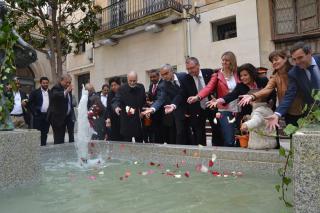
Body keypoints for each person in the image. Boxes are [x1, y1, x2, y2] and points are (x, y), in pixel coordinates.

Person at [239, 50, 303, 127]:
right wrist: (252, 96)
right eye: (272, 61)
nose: (274, 62)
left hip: (303, 110)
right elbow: (267, 89)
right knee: (293, 136)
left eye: (276, 59)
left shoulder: (295, 71)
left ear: (285, 58)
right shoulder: (275, 76)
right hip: (287, 111)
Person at [187, 52, 240, 147]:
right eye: (223, 60)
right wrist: (197, 97)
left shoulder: (238, 74)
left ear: (232, 61)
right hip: (225, 109)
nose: (224, 62)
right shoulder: (217, 75)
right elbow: (208, 88)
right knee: (229, 139)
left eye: (227, 60)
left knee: (240, 136)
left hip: (240, 108)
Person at [265, 41, 320, 130]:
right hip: (313, 114)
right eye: (294, 59)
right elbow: (289, 94)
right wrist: (277, 114)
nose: (297, 62)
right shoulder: (294, 73)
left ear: (309, 53)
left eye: (300, 58)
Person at [208, 63, 275, 124]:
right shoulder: (240, 86)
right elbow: (231, 95)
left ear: (252, 74)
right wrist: (218, 100)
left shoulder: (263, 80)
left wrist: (270, 107)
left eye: (245, 75)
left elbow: (272, 94)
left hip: (267, 113)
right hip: (249, 116)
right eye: (241, 76)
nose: (242, 78)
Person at [174, 57, 217, 146]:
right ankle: (202, 153)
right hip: (197, 109)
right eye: (188, 69)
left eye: (192, 68)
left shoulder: (209, 73)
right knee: (199, 134)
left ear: (198, 65)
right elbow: (181, 94)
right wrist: (173, 104)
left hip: (212, 106)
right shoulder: (186, 79)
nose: (190, 71)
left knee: (217, 130)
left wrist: (216, 97)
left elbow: (216, 87)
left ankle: (217, 150)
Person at [142, 64, 188, 145]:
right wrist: (153, 108)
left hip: (190, 108)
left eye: (166, 73)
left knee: (193, 134)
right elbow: (161, 98)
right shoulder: (163, 85)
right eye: (162, 75)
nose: (164, 76)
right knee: (180, 134)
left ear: (172, 71)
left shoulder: (184, 76)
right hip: (176, 110)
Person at [112, 71, 146, 142]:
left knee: (139, 142)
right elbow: (116, 100)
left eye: (134, 81)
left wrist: (143, 111)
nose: (132, 83)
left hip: (138, 120)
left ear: (137, 79)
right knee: (127, 143)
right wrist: (116, 107)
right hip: (126, 121)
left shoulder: (141, 87)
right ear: (127, 79)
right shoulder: (122, 88)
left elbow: (143, 102)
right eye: (130, 81)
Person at [47, 74, 74, 144]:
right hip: (58, 118)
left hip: (68, 117)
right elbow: (56, 95)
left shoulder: (68, 89)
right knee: (59, 139)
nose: (68, 84)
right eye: (66, 82)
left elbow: (68, 102)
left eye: (69, 82)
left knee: (71, 137)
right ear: (61, 81)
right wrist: (66, 92)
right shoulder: (56, 88)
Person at [28, 77, 51, 146]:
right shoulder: (35, 92)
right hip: (38, 116)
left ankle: (43, 146)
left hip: (47, 116)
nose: (45, 84)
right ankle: (36, 148)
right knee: (37, 133)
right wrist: (35, 113)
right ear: (40, 83)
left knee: (45, 133)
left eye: (46, 83)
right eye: (44, 83)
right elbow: (30, 103)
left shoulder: (50, 92)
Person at [147, 69, 165, 143]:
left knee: (160, 133)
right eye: (151, 77)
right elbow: (150, 97)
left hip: (161, 113)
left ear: (158, 76)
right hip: (153, 114)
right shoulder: (151, 86)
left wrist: (153, 103)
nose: (152, 79)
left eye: (154, 77)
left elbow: (161, 98)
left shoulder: (163, 84)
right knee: (153, 132)